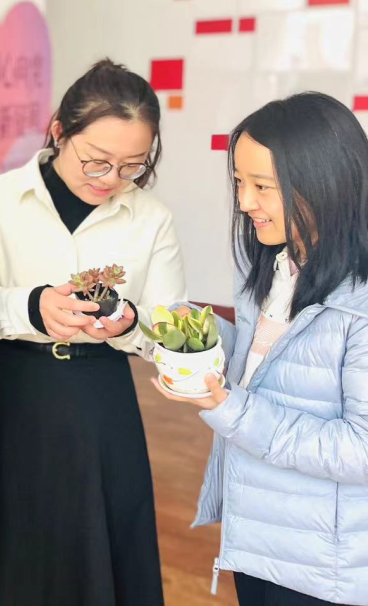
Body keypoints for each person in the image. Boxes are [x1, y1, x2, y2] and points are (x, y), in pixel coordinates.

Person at [0, 59, 185, 606]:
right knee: (8, 543)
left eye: (132, 166)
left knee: (98, 544)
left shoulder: (151, 219)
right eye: (96, 160)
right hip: (7, 394)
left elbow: (169, 329)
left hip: (99, 400)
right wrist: (31, 307)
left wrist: (130, 325)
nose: (110, 179)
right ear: (59, 130)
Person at [154, 93, 368, 606]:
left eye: (263, 186)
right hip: (259, 538)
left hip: (327, 565)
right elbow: (269, 366)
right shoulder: (275, 264)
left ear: (325, 183)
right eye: (238, 182)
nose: (245, 201)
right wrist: (190, 335)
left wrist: (230, 409)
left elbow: (359, 450)